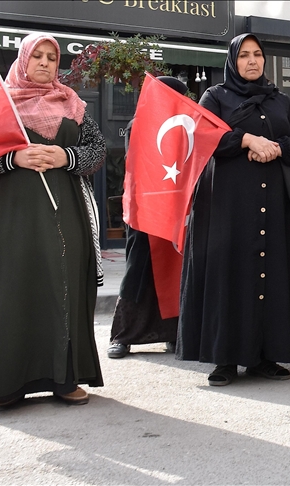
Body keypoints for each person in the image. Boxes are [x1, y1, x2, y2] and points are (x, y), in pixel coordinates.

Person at [0, 33, 106, 407]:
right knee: (11, 288)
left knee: (64, 285)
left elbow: (96, 151)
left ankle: (64, 379)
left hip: (66, 212)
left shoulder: (73, 104)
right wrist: (13, 160)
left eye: (51, 57)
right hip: (10, 216)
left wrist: (65, 157)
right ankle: (4, 384)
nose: (45, 63)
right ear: (23, 59)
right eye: (37, 56)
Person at [176, 34, 290, 386]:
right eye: (244, 55)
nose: (252, 61)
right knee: (229, 274)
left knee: (270, 273)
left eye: (258, 54)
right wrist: (248, 139)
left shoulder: (280, 99)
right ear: (233, 60)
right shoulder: (215, 96)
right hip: (227, 205)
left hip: (274, 205)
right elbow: (204, 135)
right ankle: (224, 359)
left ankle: (266, 356)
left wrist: (275, 147)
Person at [107, 76, 189, 359]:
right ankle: (122, 336)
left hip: (176, 209)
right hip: (145, 209)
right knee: (137, 272)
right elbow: (138, 165)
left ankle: (173, 333)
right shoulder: (139, 123)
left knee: (173, 272)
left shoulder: (187, 126)